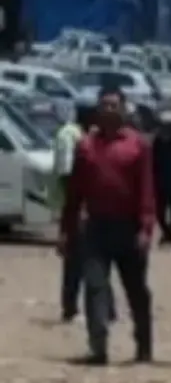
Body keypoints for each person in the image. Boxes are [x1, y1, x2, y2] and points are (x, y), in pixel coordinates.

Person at [57, 85, 154, 365]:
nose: (109, 109)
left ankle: (144, 344)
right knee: (95, 286)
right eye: (104, 105)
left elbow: (146, 191)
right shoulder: (86, 146)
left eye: (114, 105)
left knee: (136, 289)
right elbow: (74, 194)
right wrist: (67, 230)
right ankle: (98, 346)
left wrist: (145, 229)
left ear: (124, 109)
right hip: (97, 227)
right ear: (97, 111)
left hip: (129, 227)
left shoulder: (138, 145)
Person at [51, 103, 116, 325]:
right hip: (78, 208)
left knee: (97, 258)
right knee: (76, 260)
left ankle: (105, 308)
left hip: (91, 209)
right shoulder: (71, 137)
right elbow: (67, 175)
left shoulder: (90, 138)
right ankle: (70, 307)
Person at [151, 109, 171, 245]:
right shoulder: (157, 141)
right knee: (159, 213)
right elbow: (152, 161)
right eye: (164, 125)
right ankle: (167, 231)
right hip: (160, 182)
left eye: (169, 126)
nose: (166, 128)